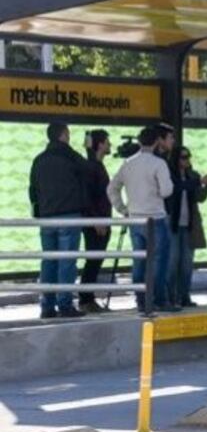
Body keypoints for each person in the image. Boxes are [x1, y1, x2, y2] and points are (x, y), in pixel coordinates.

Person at [107, 125, 175, 313]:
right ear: (156, 142)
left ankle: (141, 300)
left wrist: (123, 208)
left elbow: (112, 188)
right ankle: (159, 300)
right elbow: (167, 190)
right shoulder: (158, 164)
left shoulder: (128, 163)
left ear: (139, 142)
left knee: (139, 261)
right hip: (156, 219)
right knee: (159, 262)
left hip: (134, 219)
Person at [29, 122, 88, 319]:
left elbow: (33, 190)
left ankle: (47, 306)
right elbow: (87, 172)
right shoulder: (69, 156)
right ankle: (65, 305)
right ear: (64, 135)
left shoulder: (39, 160)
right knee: (67, 261)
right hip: (69, 215)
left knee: (49, 262)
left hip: (46, 217)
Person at [166, 146, 207, 308]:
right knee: (172, 263)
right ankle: (170, 298)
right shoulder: (169, 175)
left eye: (188, 157)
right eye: (183, 157)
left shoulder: (194, 175)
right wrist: (197, 182)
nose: (187, 160)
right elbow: (175, 189)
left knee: (187, 264)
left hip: (189, 226)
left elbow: (200, 197)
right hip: (172, 225)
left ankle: (184, 296)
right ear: (176, 159)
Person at [78, 129, 112, 314]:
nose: (110, 145)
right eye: (107, 142)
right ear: (100, 144)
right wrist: (96, 220)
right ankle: (86, 299)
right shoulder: (92, 166)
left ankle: (87, 298)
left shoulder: (96, 165)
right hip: (96, 222)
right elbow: (87, 197)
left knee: (95, 259)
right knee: (93, 260)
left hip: (100, 220)